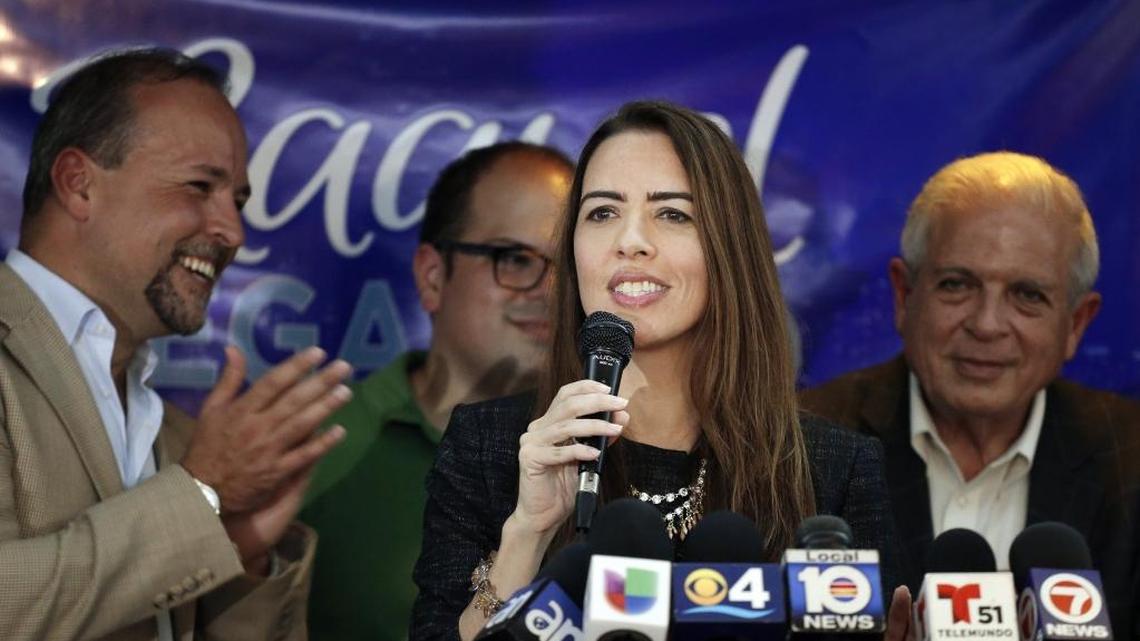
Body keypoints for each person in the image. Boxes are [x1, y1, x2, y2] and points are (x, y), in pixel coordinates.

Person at [410, 101, 901, 641]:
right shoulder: (491, 446)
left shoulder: (833, 468)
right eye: (601, 213)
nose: (630, 241)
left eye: (672, 214)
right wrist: (527, 531)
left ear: (727, 247)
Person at [0, 48, 352, 640]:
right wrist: (199, 496)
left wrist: (243, 556)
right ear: (78, 185)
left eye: (236, 200)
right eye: (199, 186)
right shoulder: (200, 465)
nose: (233, 231)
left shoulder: (179, 434)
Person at [800, 151, 1140, 634]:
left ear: (1076, 323)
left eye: (1027, 295)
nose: (986, 324)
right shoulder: (802, 444)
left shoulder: (1131, 462)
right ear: (904, 295)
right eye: (957, 284)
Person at [300, 142, 573, 641]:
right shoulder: (318, 443)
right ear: (432, 276)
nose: (551, 290)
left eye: (569, 266)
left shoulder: (608, 452)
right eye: (515, 259)